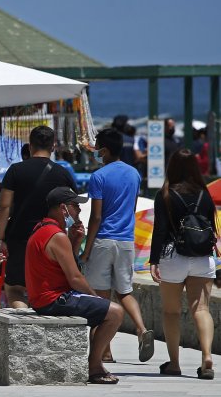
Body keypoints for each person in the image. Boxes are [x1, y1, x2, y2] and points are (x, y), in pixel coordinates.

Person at [26, 187, 124, 384]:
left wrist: (75, 241)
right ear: (63, 208)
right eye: (76, 206)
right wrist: (96, 298)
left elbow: (59, 265)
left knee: (103, 310)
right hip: (54, 299)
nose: (78, 211)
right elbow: (75, 278)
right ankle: (94, 367)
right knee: (115, 313)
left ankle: (95, 364)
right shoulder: (57, 235)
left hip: (42, 298)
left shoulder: (42, 229)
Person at [80, 128, 153, 363]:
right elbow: (131, 208)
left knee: (102, 298)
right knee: (125, 291)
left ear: (105, 150)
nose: (96, 152)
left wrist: (87, 249)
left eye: (98, 148)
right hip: (125, 240)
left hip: (103, 240)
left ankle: (106, 351)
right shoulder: (134, 174)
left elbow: (96, 217)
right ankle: (142, 330)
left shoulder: (99, 177)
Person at [149, 150, 217, 380]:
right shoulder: (204, 194)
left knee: (171, 311)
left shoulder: (166, 194)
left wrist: (154, 260)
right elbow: (212, 228)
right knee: (202, 309)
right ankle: (207, 356)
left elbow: (159, 230)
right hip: (201, 256)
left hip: (173, 256)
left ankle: (174, 364)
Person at [0, 126, 76, 308]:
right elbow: (72, 207)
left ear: (30, 146)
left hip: (20, 237)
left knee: (15, 288)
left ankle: (24, 326)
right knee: (46, 289)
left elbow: (4, 206)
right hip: (51, 239)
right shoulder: (62, 173)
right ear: (53, 146)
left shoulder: (16, 170)